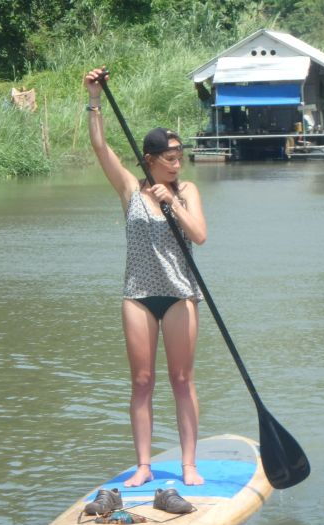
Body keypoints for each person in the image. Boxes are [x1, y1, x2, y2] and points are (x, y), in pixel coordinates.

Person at [83, 67, 207, 487]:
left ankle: (190, 465)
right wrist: (95, 99)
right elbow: (100, 148)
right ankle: (143, 466)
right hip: (137, 295)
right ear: (150, 160)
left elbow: (201, 236)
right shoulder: (129, 189)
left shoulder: (186, 190)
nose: (176, 163)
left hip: (179, 295)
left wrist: (171, 202)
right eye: (169, 158)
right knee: (141, 381)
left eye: (179, 156)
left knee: (181, 378)